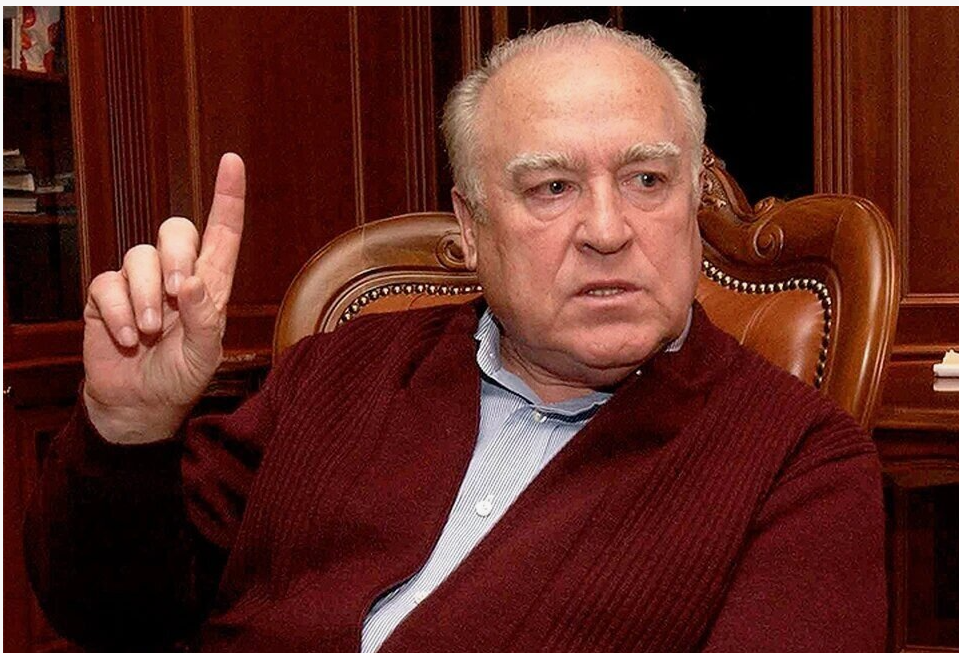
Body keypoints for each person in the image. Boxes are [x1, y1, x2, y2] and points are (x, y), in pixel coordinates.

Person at [26, 20, 886, 653]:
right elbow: (113, 615)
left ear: (691, 199)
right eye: (551, 187)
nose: (606, 229)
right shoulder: (336, 373)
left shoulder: (799, 462)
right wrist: (127, 429)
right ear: (470, 228)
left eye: (647, 179)